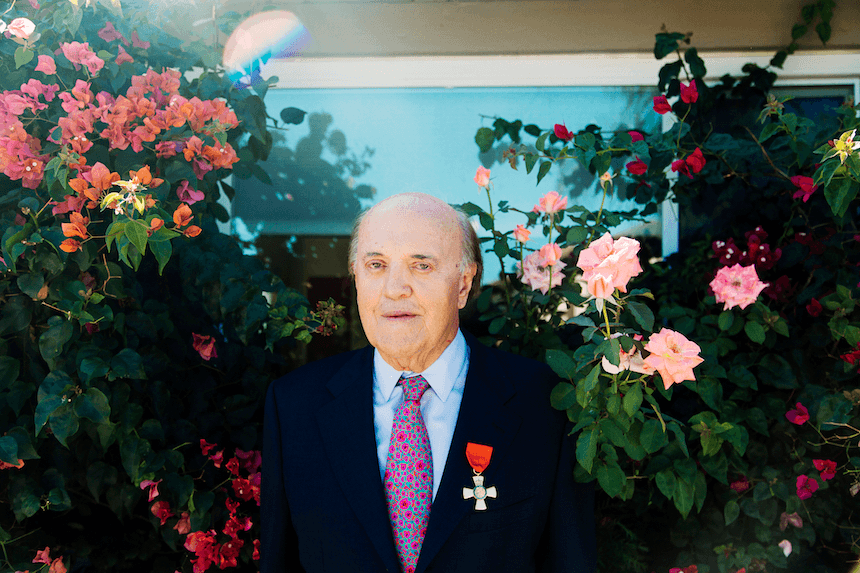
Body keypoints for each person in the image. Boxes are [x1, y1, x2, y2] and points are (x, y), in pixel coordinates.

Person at [261, 193, 595, 573]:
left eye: (421, 265)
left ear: (464, 285)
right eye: (376, 265)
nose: (394, 288)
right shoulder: (293, 406)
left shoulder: (544, 404)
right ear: (356, 278)